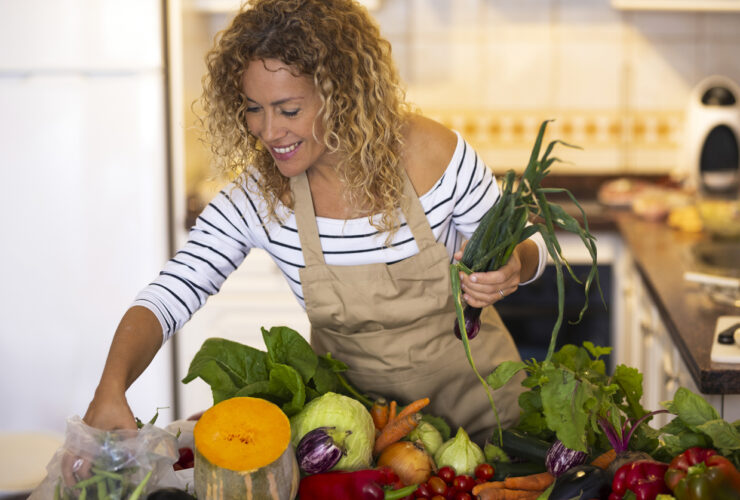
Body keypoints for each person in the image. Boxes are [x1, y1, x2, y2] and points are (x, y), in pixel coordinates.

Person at [82, 0, 547, 446]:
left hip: (489, 425)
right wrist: (111, 386)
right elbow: (170, 294)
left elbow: (530, 247)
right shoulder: (262, 199)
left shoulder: (430, 154)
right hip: (359, 443)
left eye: (288, 110)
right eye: (253, 108)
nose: (268, 131)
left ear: (342, 96)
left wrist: (512, 266)